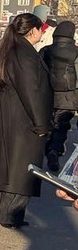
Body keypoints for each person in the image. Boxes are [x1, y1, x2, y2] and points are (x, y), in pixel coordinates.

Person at [0, 13, 56, 227]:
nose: (42, 34)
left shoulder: (8, 50)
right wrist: (41, 124)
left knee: (0, 169)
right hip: (22, 121)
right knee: (22, 171)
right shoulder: (24, 54)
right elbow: (31, 91)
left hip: (4, 118)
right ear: (33, 30)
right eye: (41, 30)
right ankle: (10, 215)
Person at [41, 20, 77, 169]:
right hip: (69, 96)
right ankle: (54, 150)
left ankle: (48, 148)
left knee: (48, 123)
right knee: (62, 125)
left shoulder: (46, 50)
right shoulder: (76, 51)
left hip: (48, 94)